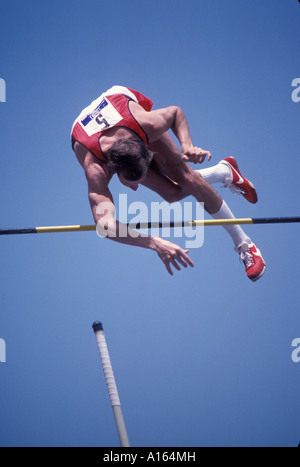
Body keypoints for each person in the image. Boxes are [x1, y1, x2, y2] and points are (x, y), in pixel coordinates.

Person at [71, 85, 266, 281]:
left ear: (147, 151)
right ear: (113, 169)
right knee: (171, 193)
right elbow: (105, 226)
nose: (136, 187)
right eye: (130, 183)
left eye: (136, 182)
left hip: (124, 113)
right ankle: (222, 171)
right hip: (88, 132)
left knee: (186, 178)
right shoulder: (96, 170)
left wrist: (187, 145)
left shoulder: (147, 125)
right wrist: (155, 243)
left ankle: (245, 243)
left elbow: (175, 112)